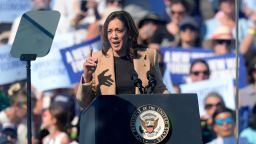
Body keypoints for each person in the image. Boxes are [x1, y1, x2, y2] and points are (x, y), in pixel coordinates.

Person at [76, 11, 169, 108]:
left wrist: (170, 107)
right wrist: (87, 77)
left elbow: (160, 89)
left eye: (119, 30)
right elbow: (84, 103)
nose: (114, 36)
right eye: (110, 31)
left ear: (129, 33)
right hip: (109, 119)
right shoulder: (96, 59)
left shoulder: (149, 55)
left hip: (138, 119)